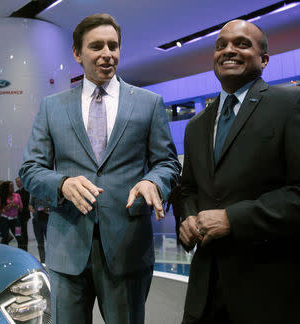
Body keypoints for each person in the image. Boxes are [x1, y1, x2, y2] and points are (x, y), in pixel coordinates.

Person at [19, 13, 180, 324]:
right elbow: (30, 168)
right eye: (96, 46)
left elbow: (167, 162)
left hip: (127, 244)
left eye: (113, 46)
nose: (107, 54)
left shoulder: (149, 103)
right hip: (67, 248)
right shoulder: (52, 107)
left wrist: (154, 182)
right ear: (77, 54)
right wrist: (62, 183)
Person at [179, 20, 300, 324]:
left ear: (264, 60)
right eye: (221, 45)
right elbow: (188, 189)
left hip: (275, 291)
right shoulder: (196, 125)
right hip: (207, 290)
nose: (228, 50)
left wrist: (232, 219)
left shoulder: (290, 105)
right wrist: (187, 217)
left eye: (241, 44)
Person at [0, 181, 23, 247]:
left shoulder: (17, 195)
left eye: (13, 186)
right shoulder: (2, 198)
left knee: (19, 237)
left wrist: (16, 205)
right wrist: (5, 209)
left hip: (15, 220)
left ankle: (21, 254)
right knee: (5, 238)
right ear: (6, 188)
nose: (13, 187)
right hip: (4, 220)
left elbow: (21, 208)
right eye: (11, 186)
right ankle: (5, 254)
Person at [29, 195, 50, 263]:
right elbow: (30, 205)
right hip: (37, 220)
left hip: (46, 220)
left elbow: (52, 206)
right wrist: (33, 210)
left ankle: (51, 259)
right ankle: (43, 260)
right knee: (40, 242)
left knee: (49, 241)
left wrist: (46, 210)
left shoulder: (47, 193)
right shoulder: (34, 194)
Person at [15, 177, 30, 251]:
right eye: (16, 182)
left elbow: (26, 204)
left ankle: (25, 249)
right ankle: (20, 248)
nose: (18, 183)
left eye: (19, 181)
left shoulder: (26, 191)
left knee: (24, 233)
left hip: (24, 216)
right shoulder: (16, 192)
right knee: (18, 233)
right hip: (17, 217)